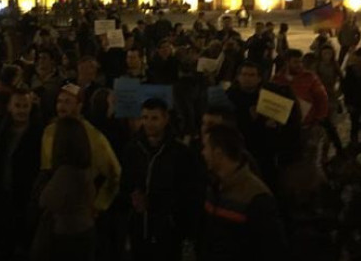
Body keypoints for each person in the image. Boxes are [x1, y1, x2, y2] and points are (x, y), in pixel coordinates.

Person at [121, 98, 203, 261]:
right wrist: (131, 197)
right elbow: (125, 182)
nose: (149, 123)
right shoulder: (133, 149)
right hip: (139, 228)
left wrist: (156, 203)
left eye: (154, 118)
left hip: (167, 231)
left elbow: (187, 192)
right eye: (145, 118)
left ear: (165, 119)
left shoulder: (180, 154)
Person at [198, 124, 287, 260]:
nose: (202, 153)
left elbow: (272, 249)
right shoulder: (213, 186)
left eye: (205, 147)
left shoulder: (256, 196)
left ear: (218, 153)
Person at [40, 85, 121, 214]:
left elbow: (114, 174)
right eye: (59, 101)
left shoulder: (94, 137)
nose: (61, 106)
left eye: (67, 102)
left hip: (80, 208)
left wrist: (98, 205)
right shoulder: (49, 132)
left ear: (79, 106)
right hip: (53, 208)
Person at [33, 116, 96, 261]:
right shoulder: (84, 168)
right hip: (85, 228)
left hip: (67, 234)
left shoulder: (66, 172)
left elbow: (46, 201)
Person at [0, 89, 44, 260]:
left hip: (26, 194)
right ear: (9, 107)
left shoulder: (38, 132)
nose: (21, 110)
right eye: (18, 106)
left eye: (25, 106)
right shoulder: (1, 127)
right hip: (3, 190)